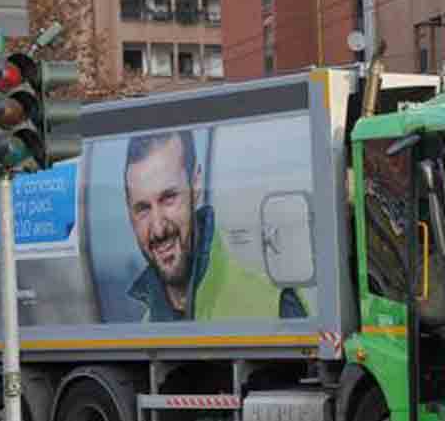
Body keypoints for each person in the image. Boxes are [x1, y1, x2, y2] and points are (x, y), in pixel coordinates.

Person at [123, 130, 307, 322]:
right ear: (129, 213)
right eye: (143, 208)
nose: (158, 229)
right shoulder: (147, 330)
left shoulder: (274, 307)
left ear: (196, 185)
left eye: (168, 198)